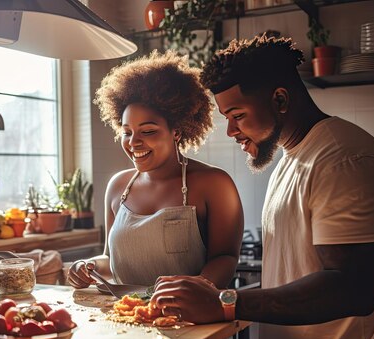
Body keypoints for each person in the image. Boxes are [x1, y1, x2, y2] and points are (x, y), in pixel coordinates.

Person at [151, 35, 374, 339]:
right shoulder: (294, 158)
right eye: (227, 119)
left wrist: (226, 301)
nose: (231, 131)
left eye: (237, 115)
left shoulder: (345, 161)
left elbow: (352, 288)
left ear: (280, 100)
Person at [67, 51, 244, 298]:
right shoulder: (118, 186)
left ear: (177, 132)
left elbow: (225, 257)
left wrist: (194, 289)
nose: (133, 143)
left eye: (148, 131)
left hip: (192, 321)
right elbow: (111, 260)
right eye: (127, 132)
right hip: (127, 321)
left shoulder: (213, 184)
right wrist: (89, 267)